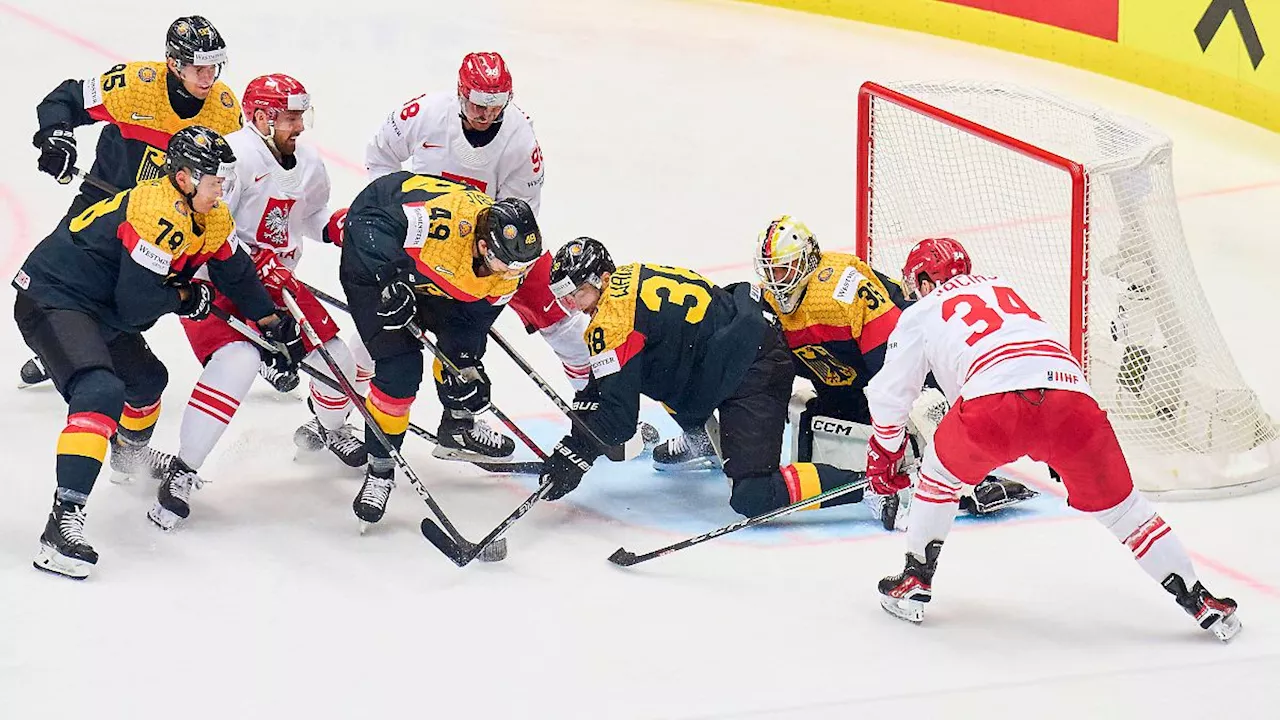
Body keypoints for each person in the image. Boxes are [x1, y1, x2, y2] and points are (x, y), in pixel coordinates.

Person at [863, 237, 1241, 641]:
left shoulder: (922, 311)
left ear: (923, 279)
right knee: (1127, 512)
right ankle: (1201, 600)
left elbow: (890, 394)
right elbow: (1041, 355)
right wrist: (1052, 439)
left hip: (992, 406)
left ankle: (915, 579)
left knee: (938, 478)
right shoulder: (1004, 287)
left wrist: (885, 453)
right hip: (1071, 402)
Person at [11, 126, 302, 578]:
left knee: (147, 382)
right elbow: (137, 304)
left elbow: (236, 271)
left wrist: (270, 323)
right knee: (101, 389)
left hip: (99, 305)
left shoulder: (208, 212)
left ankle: (128, 458)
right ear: (183, 178)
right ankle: (60, 525)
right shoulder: (156, 212)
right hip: (54, 296)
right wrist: (186, 299)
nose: (221, 187)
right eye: (213, 179)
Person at [152, 75, 362, 530]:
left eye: (301, 116)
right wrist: (254, 262)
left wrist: (341, 228)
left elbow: (312, 216)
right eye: (290, 117)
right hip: (219, 281)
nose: (300, 126)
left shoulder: (306, 159)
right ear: (262, 118)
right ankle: (183, 471)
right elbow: (210, 226)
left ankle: (329, 426)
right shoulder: (232, 157)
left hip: (277, 283)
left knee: (338, 361)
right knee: (239, 363)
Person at [535, 238, 864, 519]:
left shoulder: (612, 319)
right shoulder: (631, 275)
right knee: (644, 367)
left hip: (755, 367)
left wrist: (573, 454)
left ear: (603, 278)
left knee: (753, 495)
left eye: (576, 294)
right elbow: (610, 383)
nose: (573, 307)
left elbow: (619, 421)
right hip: (735, 339)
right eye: (565, 298)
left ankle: (867, 485)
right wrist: (580, 434)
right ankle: (703, 440)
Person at [21, 15, 244, 388]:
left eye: (214, 67)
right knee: (73, 279)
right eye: (198, 67)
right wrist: (56, 137)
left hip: (164, 221)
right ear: (174, 63)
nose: (208, 78)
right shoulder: (134, 87)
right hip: (103, 207)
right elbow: (66, 99)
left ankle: (252, 343)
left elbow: (236, 168)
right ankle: (60, 345)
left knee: (148, 296)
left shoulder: (223, 108)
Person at [361, 51, 590, 393]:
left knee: (560, 311)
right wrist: (398, 218)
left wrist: (484, 259)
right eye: (478, 105)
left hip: (492, 250)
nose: (487, 115)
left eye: (497, 106)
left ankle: (599, 402)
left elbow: (520, 216)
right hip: (427, 237)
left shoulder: (520, 140)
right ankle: (333, 413)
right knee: (386, 323)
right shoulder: (424, 113)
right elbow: (379, 159)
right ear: (460, 93)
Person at [338, 172, 542, 526]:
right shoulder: (438, 226)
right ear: (482, 245)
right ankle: (381, 470)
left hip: (430, 272)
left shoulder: (512, 263)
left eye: (519, 267)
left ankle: (457, 425)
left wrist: (466, 370)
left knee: (465, 358)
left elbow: (470, 323)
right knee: (400, 369)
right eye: (506, 264)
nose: (512, 274)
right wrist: (391, 280)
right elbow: (365, 225)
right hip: (375, 258)